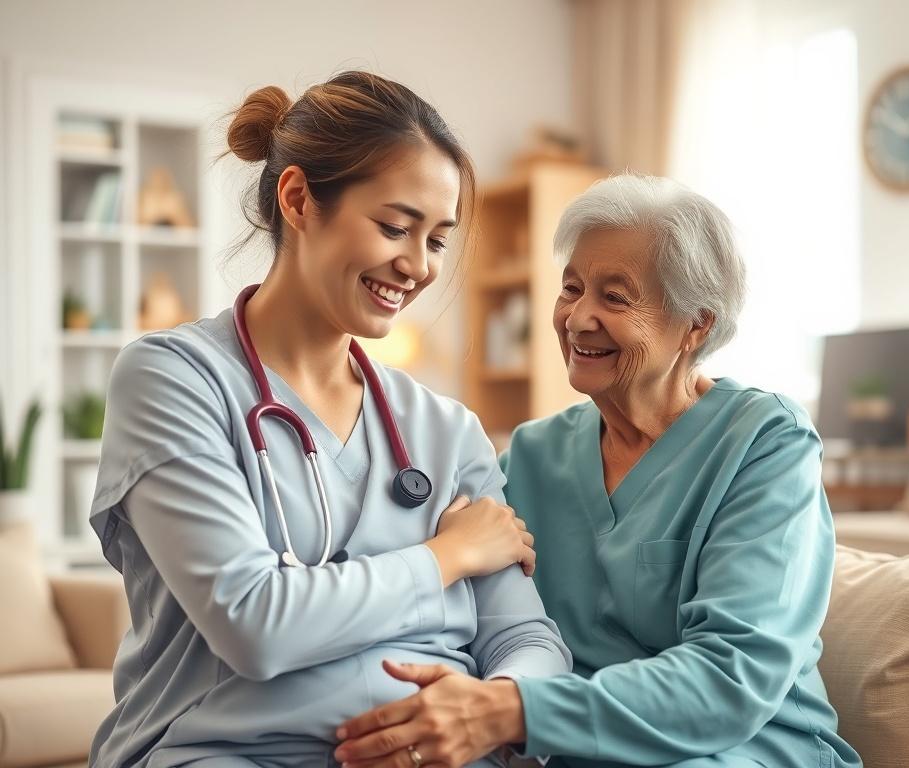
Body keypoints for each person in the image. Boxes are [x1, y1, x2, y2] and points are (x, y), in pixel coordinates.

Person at [87, 71, 570, 768]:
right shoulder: (173, 381)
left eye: (437, 240)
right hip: (221, 751)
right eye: (395, 227)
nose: (418, 266)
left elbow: (528, 641)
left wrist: (489, 709)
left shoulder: (444, 430)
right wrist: (448, 556)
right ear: (298, 199)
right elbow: (256, 624)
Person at [334, 174, 863, 768]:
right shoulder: (531, 456)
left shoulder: (765, 443)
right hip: (573, 750)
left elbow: (733, 678)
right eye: (572, 287)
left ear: (697, 325)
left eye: (615, 297)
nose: (578, 317)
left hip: (747, 747)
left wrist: (509, 712)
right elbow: (461, 610)